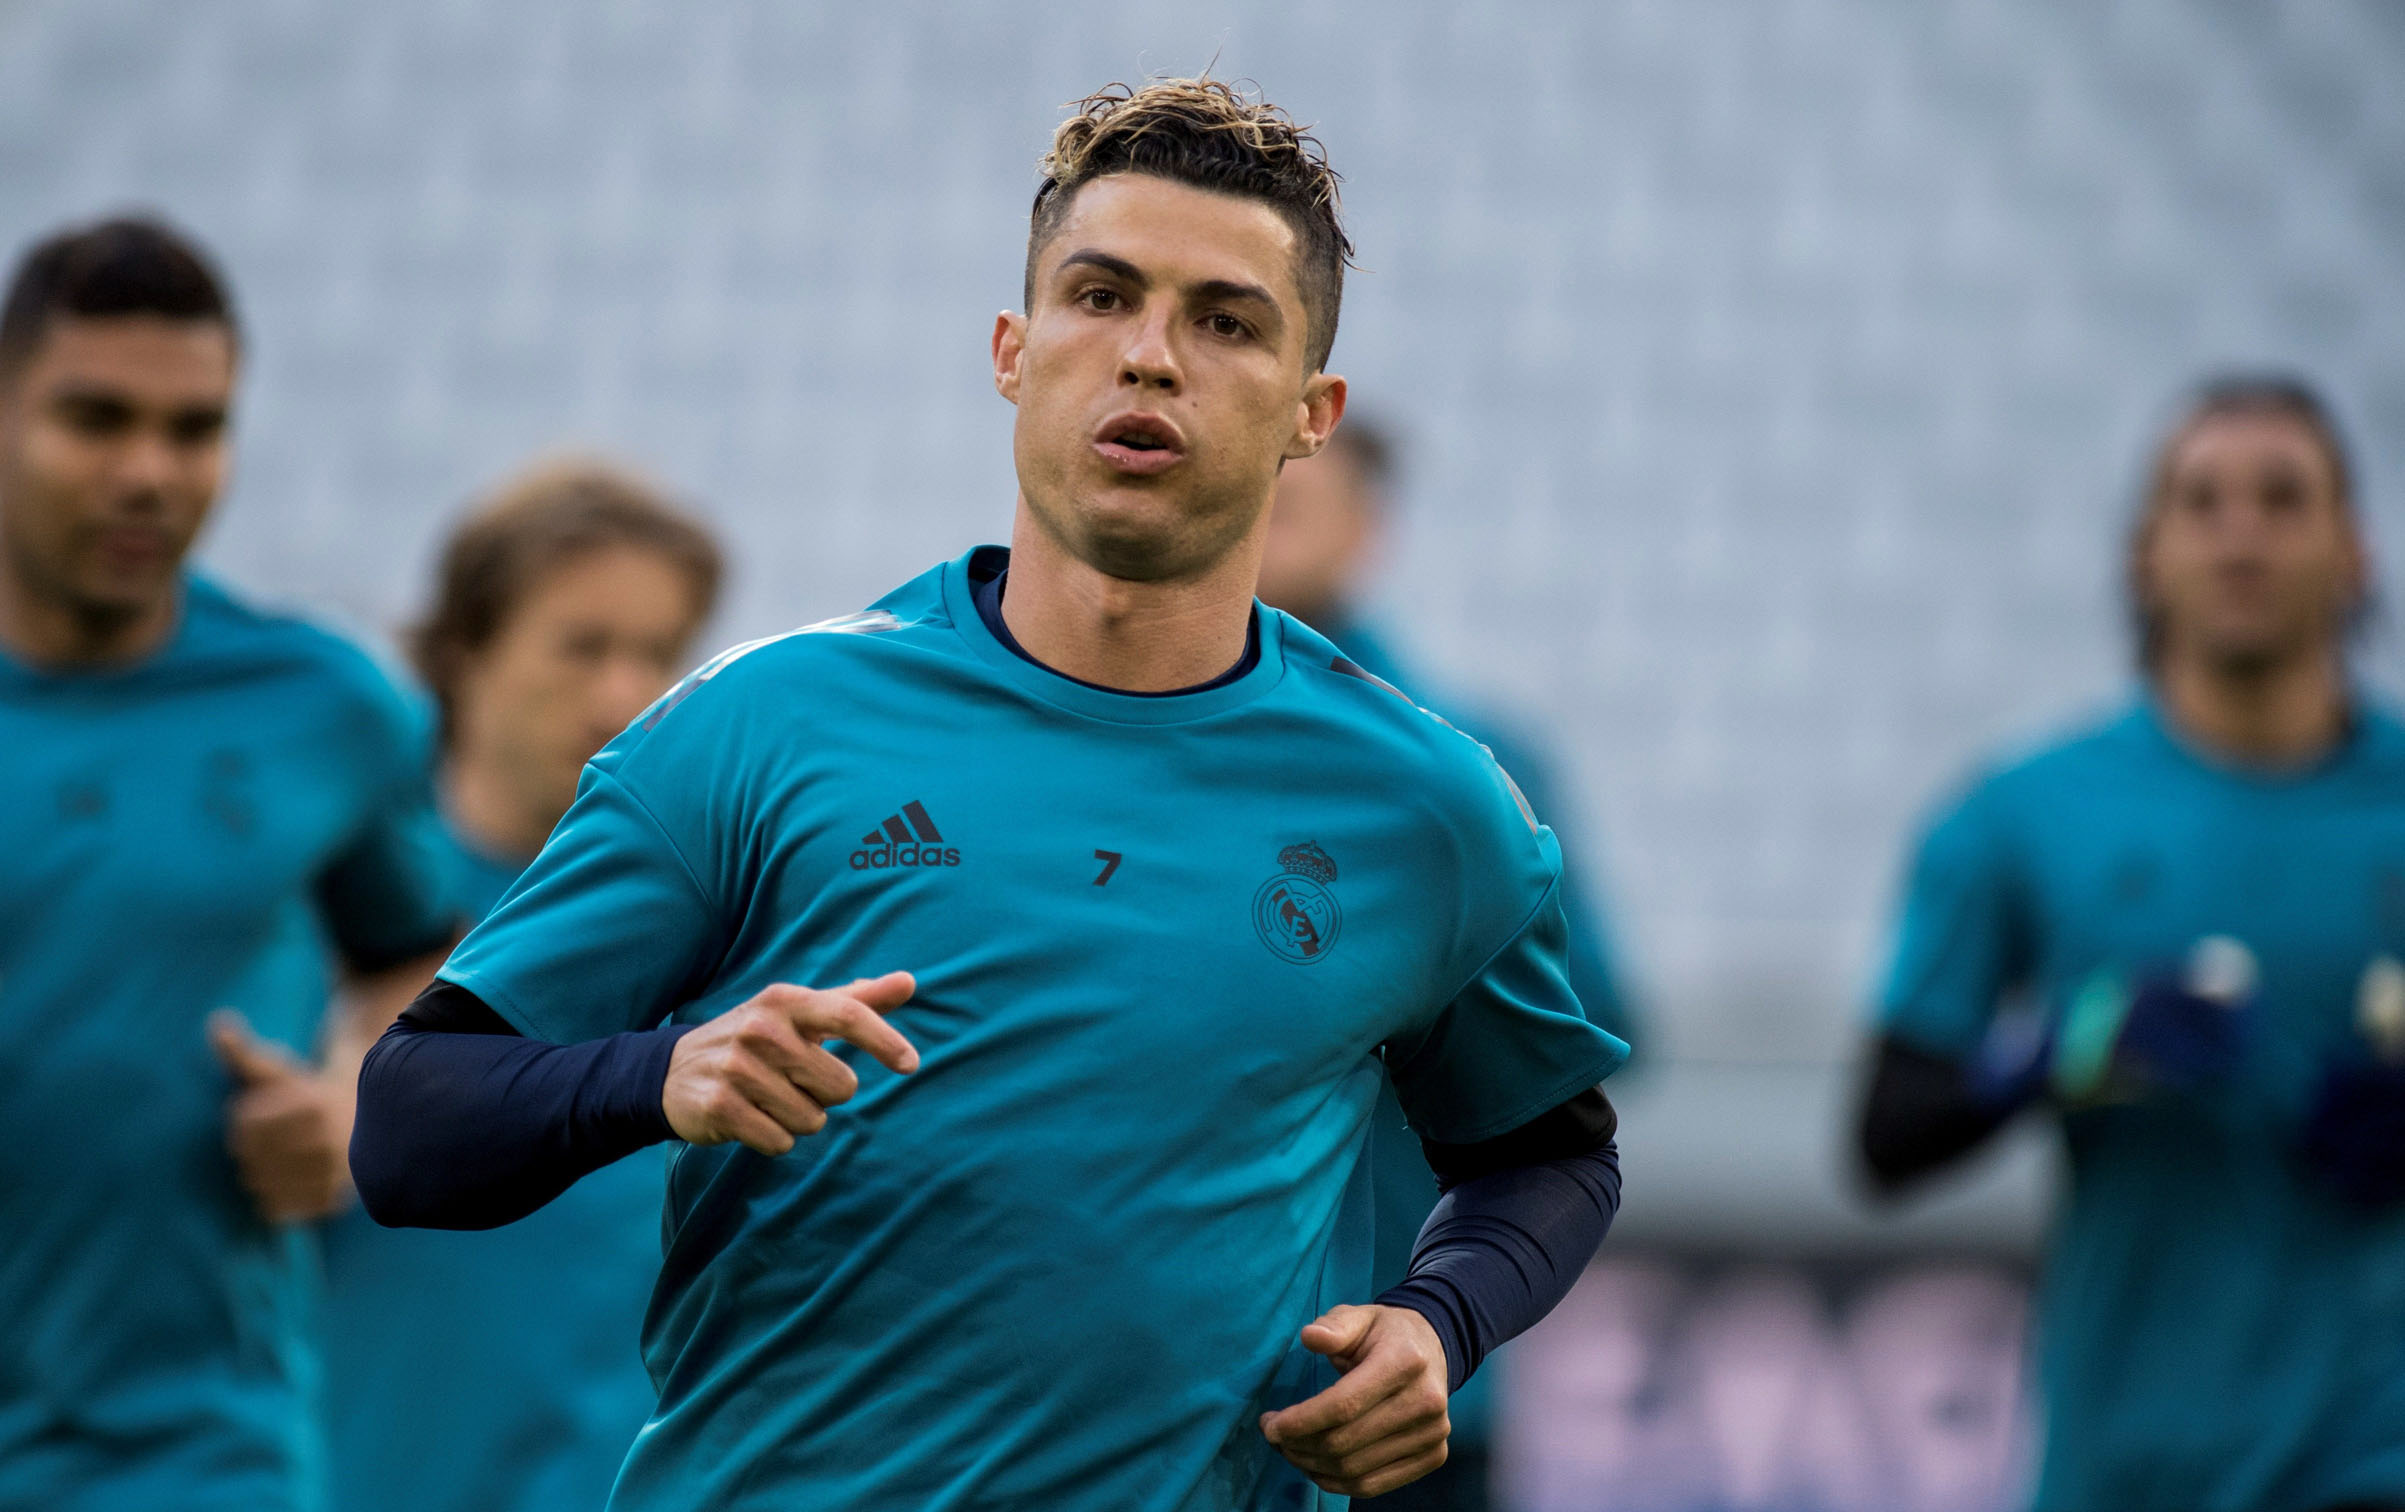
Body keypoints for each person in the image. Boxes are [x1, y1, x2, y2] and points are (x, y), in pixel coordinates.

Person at [351, 77, 1628, 1511]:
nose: (1149, 356)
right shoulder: (755, 729)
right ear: (1013, 351)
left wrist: (1436, 1323)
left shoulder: (1427, 807)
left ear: (1310, 414)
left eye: (1225, 321)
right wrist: (661, 1074)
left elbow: (1550, 1160)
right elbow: (409, 1124)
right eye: (1100, 295)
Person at [1855, 377, 2405, 1512]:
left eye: (2280, 497)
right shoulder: (2021, 814)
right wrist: (2056, 1052)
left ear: (2352, 551)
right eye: (2198, 501)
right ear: (2142, 556)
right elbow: (1884, 1132)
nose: (2239, 531)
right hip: (2129, 1457)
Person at [0, 218, 455, 1511]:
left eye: (194, 429)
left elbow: (428, 974)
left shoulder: (322, 707)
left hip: (199, 1456)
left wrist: (351, 1105)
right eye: (95, 420)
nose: (148, 472)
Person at [320, 462, 721, 1512]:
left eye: (660, 655)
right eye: (582, 646)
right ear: (462, 654)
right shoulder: (326, 920)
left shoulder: (725, 945)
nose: (625, 695)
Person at [1258, 422, 1642, 1511]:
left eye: (1291, 505)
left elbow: (1589, 1032)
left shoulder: (1462, 766)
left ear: (1366, 530)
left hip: (1398, 1383)